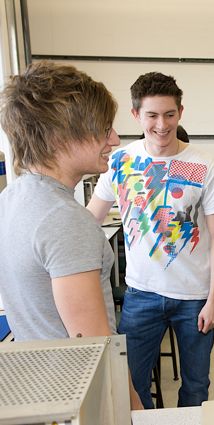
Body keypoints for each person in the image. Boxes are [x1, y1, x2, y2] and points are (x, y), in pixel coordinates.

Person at [0, 61, 142, 410]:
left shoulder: (12, 198)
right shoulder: (64, 219)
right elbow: (94, 343)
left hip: (43, 386)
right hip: (83, 395)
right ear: (61, 137)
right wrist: (135, 409)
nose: (114, 139)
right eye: (104, 129)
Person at [87, 72, 214, 408]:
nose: (162, 125)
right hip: (141, 295)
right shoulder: (121, 161)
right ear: (136, 115)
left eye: (169, 114)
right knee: (131, 386)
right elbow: (90, 217)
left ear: (181, 112)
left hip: (194, 297)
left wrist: (213, 298)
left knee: (196, 387)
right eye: (152, 115)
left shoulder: (204, 165)